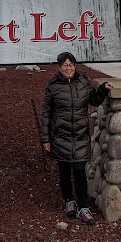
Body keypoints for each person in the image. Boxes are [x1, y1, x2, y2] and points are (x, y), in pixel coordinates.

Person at [40, 51, 114, 225]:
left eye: (71, 65)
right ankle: (69, 201)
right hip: (60, 135)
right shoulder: (53, 86)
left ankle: (83, 207)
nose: (68, 68)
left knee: (80, 171)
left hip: (80, 135)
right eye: (65, 65)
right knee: (64, 171)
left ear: (75, 66)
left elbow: (94, 100)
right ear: (59, 67)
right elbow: (46, 114)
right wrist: (45, 139)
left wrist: (103, 89)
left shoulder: (83, 81)